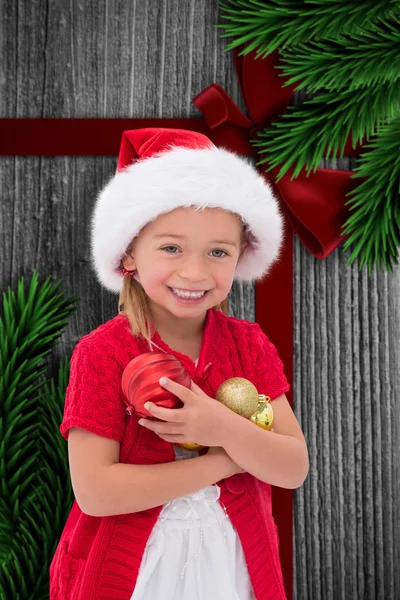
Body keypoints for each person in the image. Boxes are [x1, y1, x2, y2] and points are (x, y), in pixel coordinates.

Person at [49, 128, 309, 600]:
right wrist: (227, 461)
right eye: (171, 248)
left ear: (240, 257)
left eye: (218, 252)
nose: (194, 272)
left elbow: (292, 467)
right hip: (135, 574)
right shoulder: (102, 353)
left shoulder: (247, 346)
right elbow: (97, 491)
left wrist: (223, 428)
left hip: (231, 567)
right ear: (129, 252)